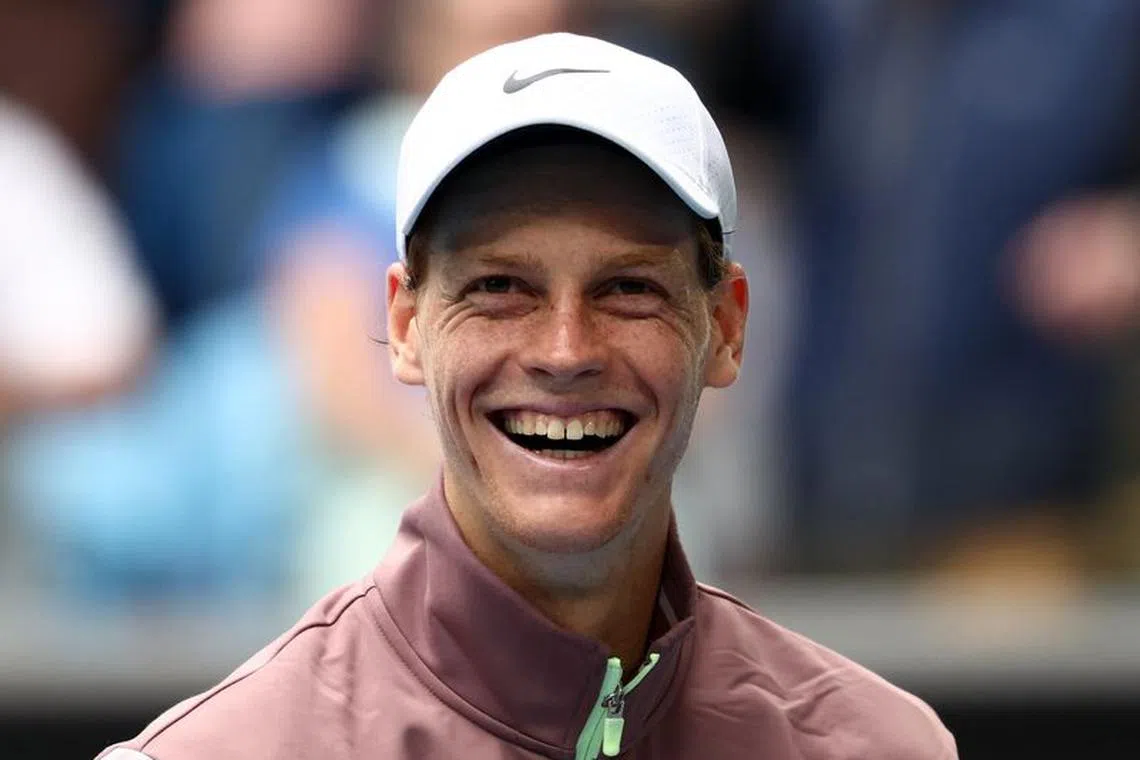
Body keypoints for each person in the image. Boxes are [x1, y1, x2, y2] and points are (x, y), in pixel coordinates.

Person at [96, 33, 956, 759]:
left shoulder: (878, 745)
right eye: (501, 287)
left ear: (725, 328)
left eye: (628, 289)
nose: (564, 351)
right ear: (405, 325)